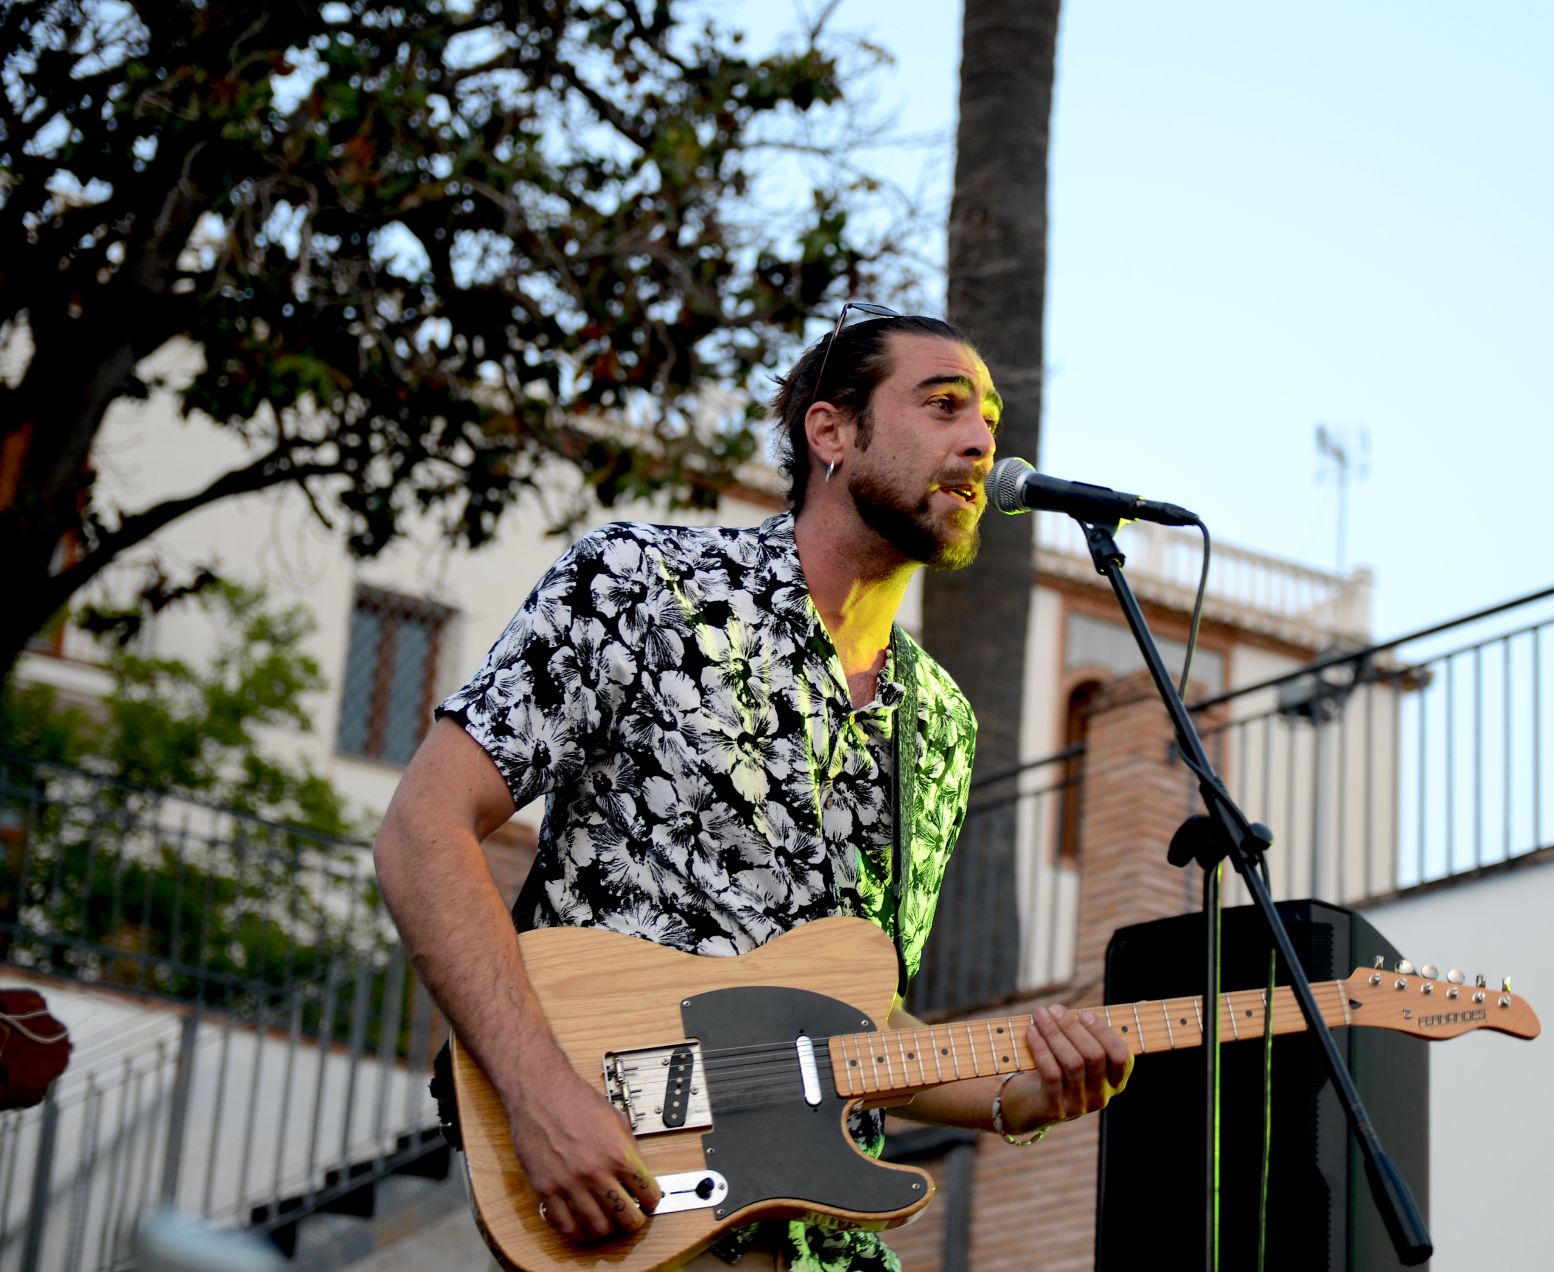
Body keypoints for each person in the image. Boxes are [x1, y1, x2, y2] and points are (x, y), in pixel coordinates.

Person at [373, 306, 1133, 1271]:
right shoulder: (645, 586)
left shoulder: (939, 724)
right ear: (832, 432)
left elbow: (850, 1024)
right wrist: (540, 1095)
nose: (981, 440)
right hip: (632, 1213)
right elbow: (421, 828)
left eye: (987, 416)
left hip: (824, 1243)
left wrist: (1014, 1096)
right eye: (943, 405)